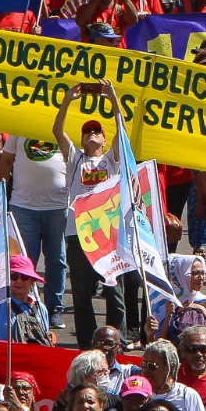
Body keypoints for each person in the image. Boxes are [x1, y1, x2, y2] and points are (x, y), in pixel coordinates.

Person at [53, 81, 125, 346]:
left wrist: (113, 97)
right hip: (78, 234)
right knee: (82, 295)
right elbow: (58, 131)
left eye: (97, 131)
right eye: (87, 132)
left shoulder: (110, 159)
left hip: (106, 235)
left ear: (104, 139)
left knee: (113, 292)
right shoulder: (75, 159)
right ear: (82, 140)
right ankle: (86, 344)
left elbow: (123, 129)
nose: (92, 134)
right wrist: (68, 100)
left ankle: (116, 341)